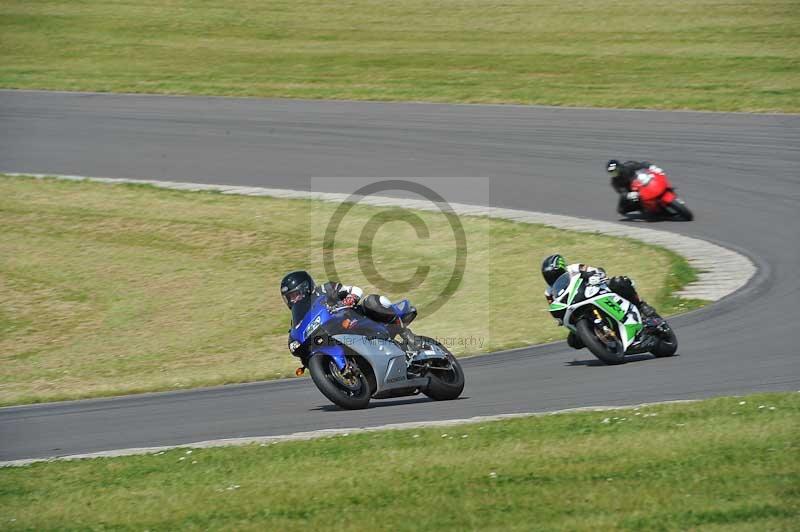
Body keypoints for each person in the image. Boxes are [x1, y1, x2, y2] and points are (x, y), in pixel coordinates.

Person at [540, 254, 661, 350]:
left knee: (619, 282)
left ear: (562, 268)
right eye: (548, 277)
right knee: (573, 341)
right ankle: (602, 341)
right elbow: (554, 306)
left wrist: (596, 274)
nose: (551, 278)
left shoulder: (574, 268)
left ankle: (641, 305)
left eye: (554, 274)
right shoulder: (549, 292)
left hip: (596, 290)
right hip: (577, 306)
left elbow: (596, 270)